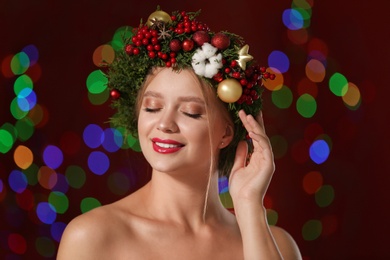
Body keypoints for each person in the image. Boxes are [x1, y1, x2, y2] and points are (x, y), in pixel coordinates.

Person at [57, 8, 302, 259]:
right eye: (152, 107)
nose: (165, 124)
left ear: (226, 134)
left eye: (191, 112)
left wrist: (250, 205)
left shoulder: (277, 245)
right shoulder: (93, 236)